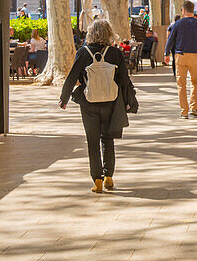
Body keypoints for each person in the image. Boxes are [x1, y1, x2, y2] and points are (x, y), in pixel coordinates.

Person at [59, 19, 138, 193]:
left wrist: (64, 98)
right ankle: (109, 175)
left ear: (90, 34)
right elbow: (124, 80)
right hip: (111, 102)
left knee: (92, 141)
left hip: (89, 103)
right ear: (109, 33)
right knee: (108, 139)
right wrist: (128, 101)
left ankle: (97, 180)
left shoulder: (83, 52)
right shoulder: (115, 53)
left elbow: (72, 77)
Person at [164, 0, 197, 119]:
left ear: (183, 10)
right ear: (193, 10)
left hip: (181, 56)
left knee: (181, 84)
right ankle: (194, 108)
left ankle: (184, 111)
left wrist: (167, 53)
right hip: (194, 56)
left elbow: (171, 40)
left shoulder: (178, 23)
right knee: (195, 82)